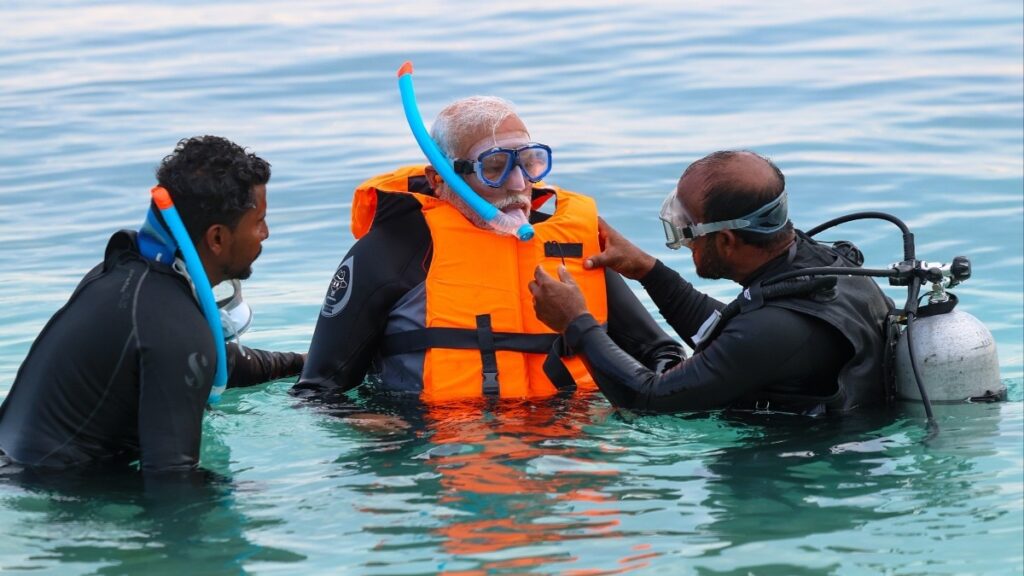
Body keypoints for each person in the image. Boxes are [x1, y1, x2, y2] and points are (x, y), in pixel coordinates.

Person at [296, 96, 683, 402]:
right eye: (494, 166)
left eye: (530, 162)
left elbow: (663, 353)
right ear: (438, 178)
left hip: (567, 452)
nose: (518, 183)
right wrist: (374, 430)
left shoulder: (570, 246)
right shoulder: (391, 252)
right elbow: (316, 391)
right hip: (438, 456)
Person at [0, 136, 304, 475]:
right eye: (259, 220)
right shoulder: (175, 325)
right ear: (217, 238)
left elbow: (207, 360)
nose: (266, 233)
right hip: (50, 493)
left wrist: (300, 363)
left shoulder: (125, 279)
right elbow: (173, 482)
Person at [529, 150, 893, 416]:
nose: (685, 244)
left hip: (798, 476)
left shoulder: (774, 329)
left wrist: (576, 324)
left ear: (726, 241)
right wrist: (648, 271)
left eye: (687, 232)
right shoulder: (823, 265)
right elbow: (730, 335)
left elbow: (649, 399)